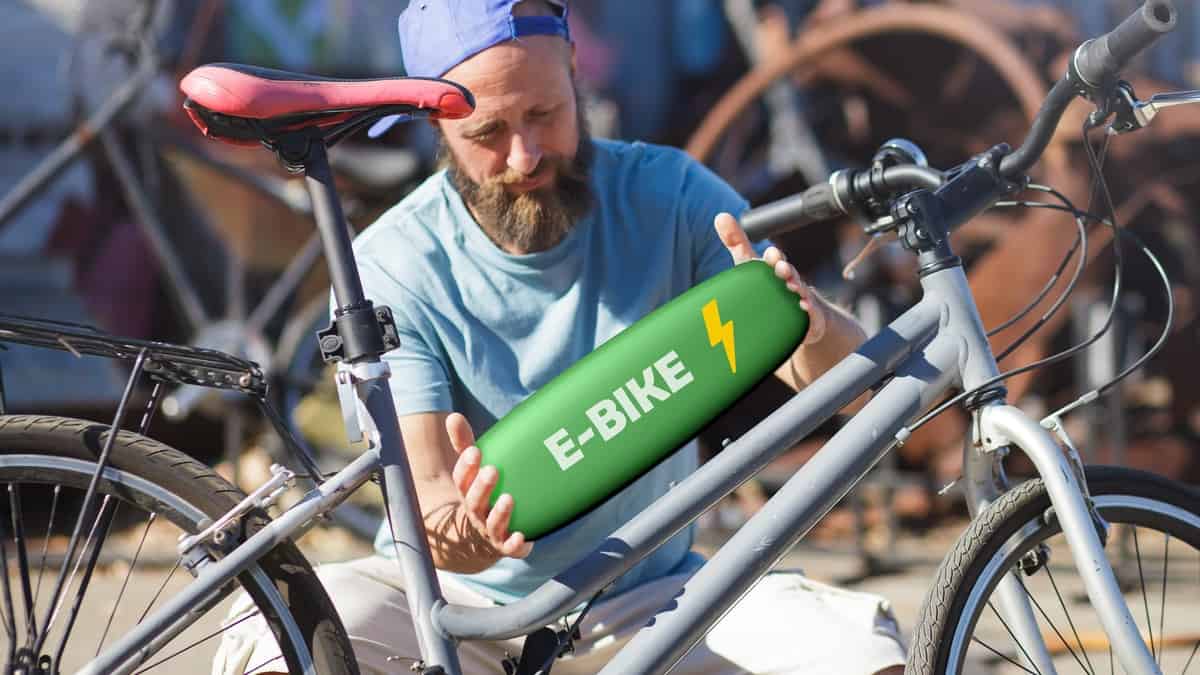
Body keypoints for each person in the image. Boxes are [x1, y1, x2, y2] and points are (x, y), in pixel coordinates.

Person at [214, 2, 906, 673]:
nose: (526, 154)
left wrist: (805, 321)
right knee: (276, 634)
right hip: (454, 609)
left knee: (858, 649)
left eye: (545, 112)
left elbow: (856, 381)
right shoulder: (392, 266)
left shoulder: (669, 195)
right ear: (435, 123)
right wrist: (476, 534)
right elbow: (423, 500)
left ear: (575, 70)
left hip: (660, 601)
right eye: (488, 133)